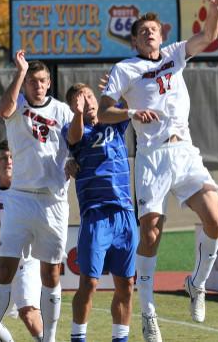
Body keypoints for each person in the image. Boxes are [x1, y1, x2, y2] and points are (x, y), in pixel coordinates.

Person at [97, 0, 218, 342]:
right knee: (151, 233)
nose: (150, 34)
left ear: (161, 36)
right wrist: (131, 113)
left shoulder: (174, 55)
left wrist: (213, 6)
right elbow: (103, 112)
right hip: (152, 156)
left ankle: (196, 283)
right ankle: (149, 313)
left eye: (154, 30)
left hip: (184, 150)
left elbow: (208, 36)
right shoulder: (125, 69)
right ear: (136, 39)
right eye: (143, 31)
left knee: (215, 220)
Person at [0, 51, 73, 342]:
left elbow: (77, 142)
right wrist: (19, 72)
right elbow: (3, 109)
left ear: (49, 83)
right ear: (25, 84)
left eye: (42, 80)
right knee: (4, 268)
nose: (37, 85)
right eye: (32, 80)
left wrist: (75, 161)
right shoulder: (17, 106)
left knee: (51, 275)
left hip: (53, 201)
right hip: (21, 199)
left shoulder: (62, 111)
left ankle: (49, 339)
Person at [64, 83, 138, 342]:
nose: (87, 101)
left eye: (89, 96)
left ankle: (120, 339)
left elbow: (130, 106)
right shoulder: (75, 130)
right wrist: (78, 114)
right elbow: (72, 138)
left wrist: (123, 86)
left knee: (126, 285)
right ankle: (78, 338)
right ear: (73, 106)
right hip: (96, 215)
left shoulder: (114, 123)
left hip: (125, 213)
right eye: (80, 99)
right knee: (89, 283)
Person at [0, 139, 43, 342]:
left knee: (28, 313)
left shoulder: (25, 191)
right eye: (3, 158)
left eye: (12, 157)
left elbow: (7, 233)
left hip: (24, 262)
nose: (8, 161)